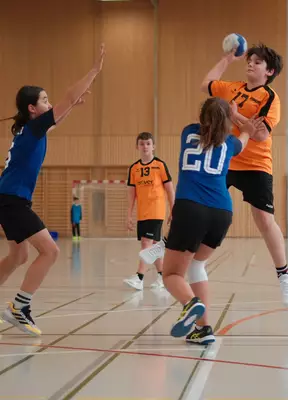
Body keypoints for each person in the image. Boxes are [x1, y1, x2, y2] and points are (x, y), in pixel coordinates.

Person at [0, 44, 105, 336]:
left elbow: (61, 112)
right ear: (32, 109)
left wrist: (70, 107)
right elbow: (68, 97)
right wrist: (94, 71)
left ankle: (18, 306)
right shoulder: (34, 128)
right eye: (45, 101)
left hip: (8, 199)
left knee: (18, 256)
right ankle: (20, 307)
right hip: (12, 200)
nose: (49, 104)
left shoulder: (32, 130)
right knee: (50, 251)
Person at [198, 43, 288, 305]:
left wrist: (235, 116)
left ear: (269, 71)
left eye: (257, 62)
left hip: (256, 164)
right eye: (249, 60)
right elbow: (206, 84)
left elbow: (261, 134)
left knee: (264, 219)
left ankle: (284, 274)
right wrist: (227, 59)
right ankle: (174, 246)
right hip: (228, 159)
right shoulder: (233, 88)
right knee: (202, 204)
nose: (251, 64)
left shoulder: (270, 98)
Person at [162, 97, 264, 341]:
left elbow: (212, 127)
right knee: (197, 265)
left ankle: (190, 303)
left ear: (201, 116)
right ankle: (203, 329)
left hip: (190, 208)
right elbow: (243, 139)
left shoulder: (188, 132)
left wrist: (229, 114)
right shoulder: (230, 144)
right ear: (227, 120)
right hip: (221, 212)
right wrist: (244, 125)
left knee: (171, 275)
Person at [124, 132, 175, 290]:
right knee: (153, 245)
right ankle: (162, 276)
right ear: (137, 147)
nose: (145, 146)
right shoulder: (134, 168)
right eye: (142, 144)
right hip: (142, 212)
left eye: (148, 143)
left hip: (156, 209)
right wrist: (129, 214)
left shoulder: (160, 165)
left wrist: (173, 210)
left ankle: (139, 277)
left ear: (153, 146)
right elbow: (131, 193)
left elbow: (170, 189)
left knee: (146, 242)